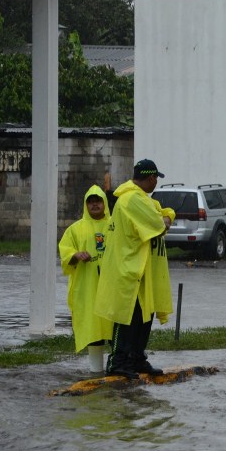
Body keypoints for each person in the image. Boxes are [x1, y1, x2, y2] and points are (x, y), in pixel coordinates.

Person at [95, 159, 176, 378]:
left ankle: (137, 358)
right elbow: (160, 225)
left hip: (141, 271)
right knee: (126, 317)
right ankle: (118, 361)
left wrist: (166, 216)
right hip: (128, 269)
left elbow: (165, 211)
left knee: (144, 317)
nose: (156, 182)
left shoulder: (142, 200)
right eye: (156, 178)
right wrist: (165, 219)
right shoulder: (132, 200)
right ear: (151, 178)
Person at [57, 185, 113, 372]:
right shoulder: (75, 229)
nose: (95, 204)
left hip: (112, 288)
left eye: (98, 200)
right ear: (85, 204)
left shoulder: (115, 225)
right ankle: (95, 371)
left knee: (116, 327)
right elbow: (65, 252)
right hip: (87, 289)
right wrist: (75, 255)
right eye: (91, 201)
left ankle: (118, 367)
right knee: (93, 327)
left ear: (104, 203)